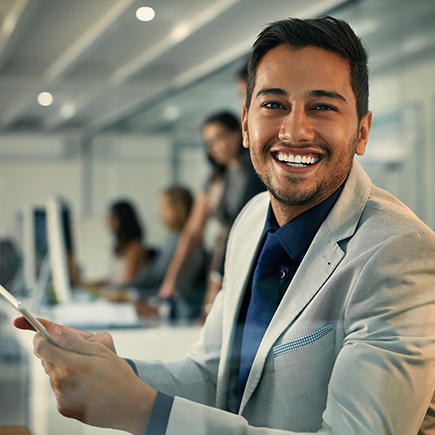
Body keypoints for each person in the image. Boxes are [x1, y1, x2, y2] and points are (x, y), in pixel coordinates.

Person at [14, 16, 435, 435]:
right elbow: (214, 374)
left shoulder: (401, 253)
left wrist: (145, 412)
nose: (295, 130)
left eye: (322, 106)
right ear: (247, 126)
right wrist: (112, 373)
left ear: (362, 132)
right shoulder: (251, 219)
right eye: (274, 105)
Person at [158, 111, 265, 319]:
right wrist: (171, 281)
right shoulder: (214, 179)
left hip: (253, 254)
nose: (213, 147)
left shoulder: (256, 172)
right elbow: (192, 231)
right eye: (208, 142)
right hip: (222, 256)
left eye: (218, 139)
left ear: (238, 133)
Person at [128, 186, 207, 317]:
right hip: (164, 305)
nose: (161, 213)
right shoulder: (170, 241)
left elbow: (158, 280)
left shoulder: (184, 246)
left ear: (178, 209)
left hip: (177, 311)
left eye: (165, 208)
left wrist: (130, 294)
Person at [82, 200, 147, 290]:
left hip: (120, 296)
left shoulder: (134, 248)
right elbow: (111, 280)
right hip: (113, 293)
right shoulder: (120, 247)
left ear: (123, 220)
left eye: (112, 218)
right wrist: (84, 285)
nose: (109, 222)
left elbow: (126, 284)